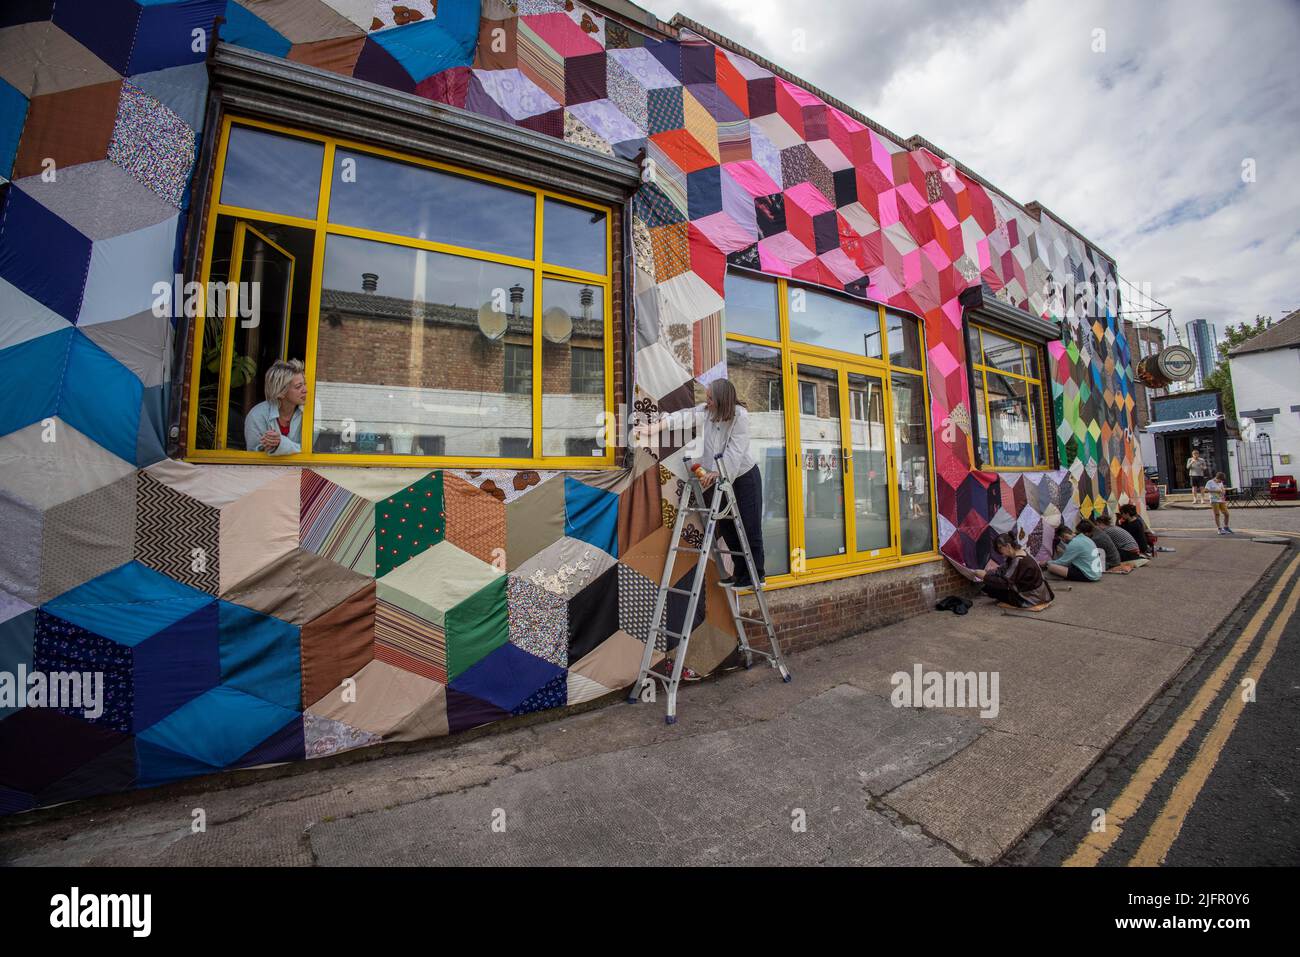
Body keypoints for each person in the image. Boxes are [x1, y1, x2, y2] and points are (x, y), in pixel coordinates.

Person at [635, 378, 764, 588]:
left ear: (722, 399)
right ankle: (740, 574)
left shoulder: (740, 416)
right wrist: (653, 429)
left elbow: (736, 451)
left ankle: (756, 575)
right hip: (718, 474)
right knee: (728, 526)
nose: (707, 401)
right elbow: (683, 417)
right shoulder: (708, 411)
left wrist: (717, 473)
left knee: (749, 526)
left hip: (743, 476)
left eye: (711, 398)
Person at [974, 533, 1055, 609]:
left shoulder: (1018, 560)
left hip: (1032, 598)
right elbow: (1003, 569)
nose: (1001, 554)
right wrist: (989, 572)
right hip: (1042, 594)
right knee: (992, 582)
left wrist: (985, 577)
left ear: (1008, 546)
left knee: (989, 588)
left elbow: (1005, 583)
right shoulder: (1021, 553)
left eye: (1000, 549)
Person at [244, 359, 307, 455]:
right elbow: (253, 456)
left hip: (301, 469)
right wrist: (267, 447)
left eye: (304, 384)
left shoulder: (309, 413)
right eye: (298, 386)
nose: (305, 390)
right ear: (281, 392)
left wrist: (280, 444)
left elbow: (311, 451)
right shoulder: (257, 415)